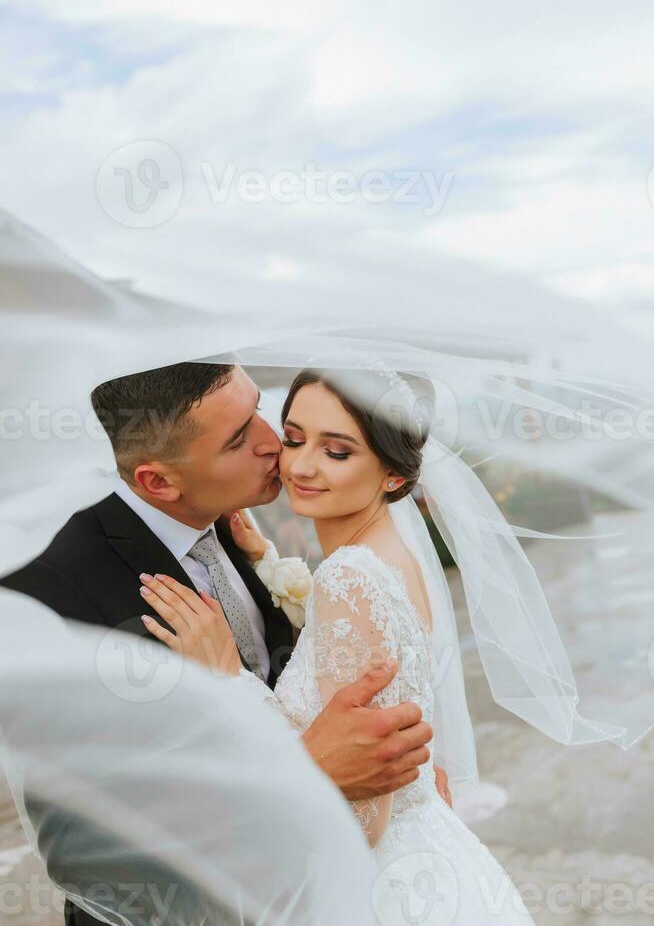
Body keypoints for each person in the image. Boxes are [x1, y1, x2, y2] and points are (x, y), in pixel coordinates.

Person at [0, 361, 440, 926]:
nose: (272, 442)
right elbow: (87, 842)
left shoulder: (231, 523)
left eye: (258, 407)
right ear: (158, 481)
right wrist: (312, 770)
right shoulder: (46, 588)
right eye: (238, 438)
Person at [141, 367, 536, 925]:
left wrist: (231, 678)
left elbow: (362, 819)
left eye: (338, 452)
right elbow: (344, 647)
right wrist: (269, 565)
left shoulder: (351, 578)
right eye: (294, 438)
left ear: (394, 476)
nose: (300, 465)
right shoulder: (386, 560)